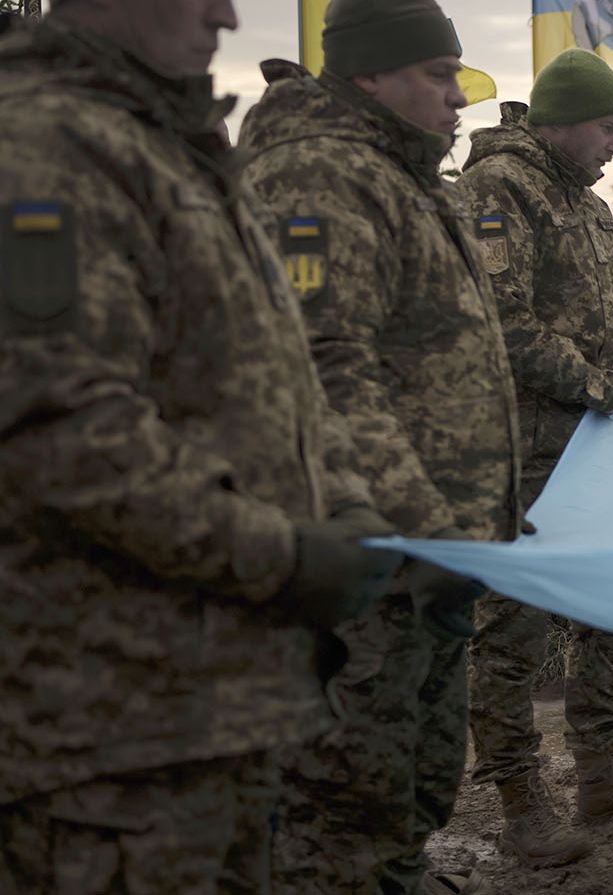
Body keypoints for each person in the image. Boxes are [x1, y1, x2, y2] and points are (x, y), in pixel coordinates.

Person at [0, 4, 404, 890]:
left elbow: (286, 370)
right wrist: (283, 554)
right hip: (108, 733)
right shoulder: (44, 144)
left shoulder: (173, 150)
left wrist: (345, 502)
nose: (228, 13)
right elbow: (61, 426)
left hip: (221, 706)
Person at [237, 0, 523, 889]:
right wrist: (425, 523)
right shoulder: (319, 179)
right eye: (438, 77)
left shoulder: (406, 177)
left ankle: (393, 867)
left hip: (429, 554)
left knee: (417, 769)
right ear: (369, 75)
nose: (457, 98)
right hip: (371, 552)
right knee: (345, 786)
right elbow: (321, 363)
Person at [459, 49, 613, 869]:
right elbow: (506, 322)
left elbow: (605, 318)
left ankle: (604, 770)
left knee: (608, 601)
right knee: (511, 626)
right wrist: (604, 386)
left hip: (593, 445)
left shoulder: (588, 207)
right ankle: (521, 801)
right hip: (525, 445)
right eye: (608, 129)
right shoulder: (501, 189)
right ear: (560, 121)